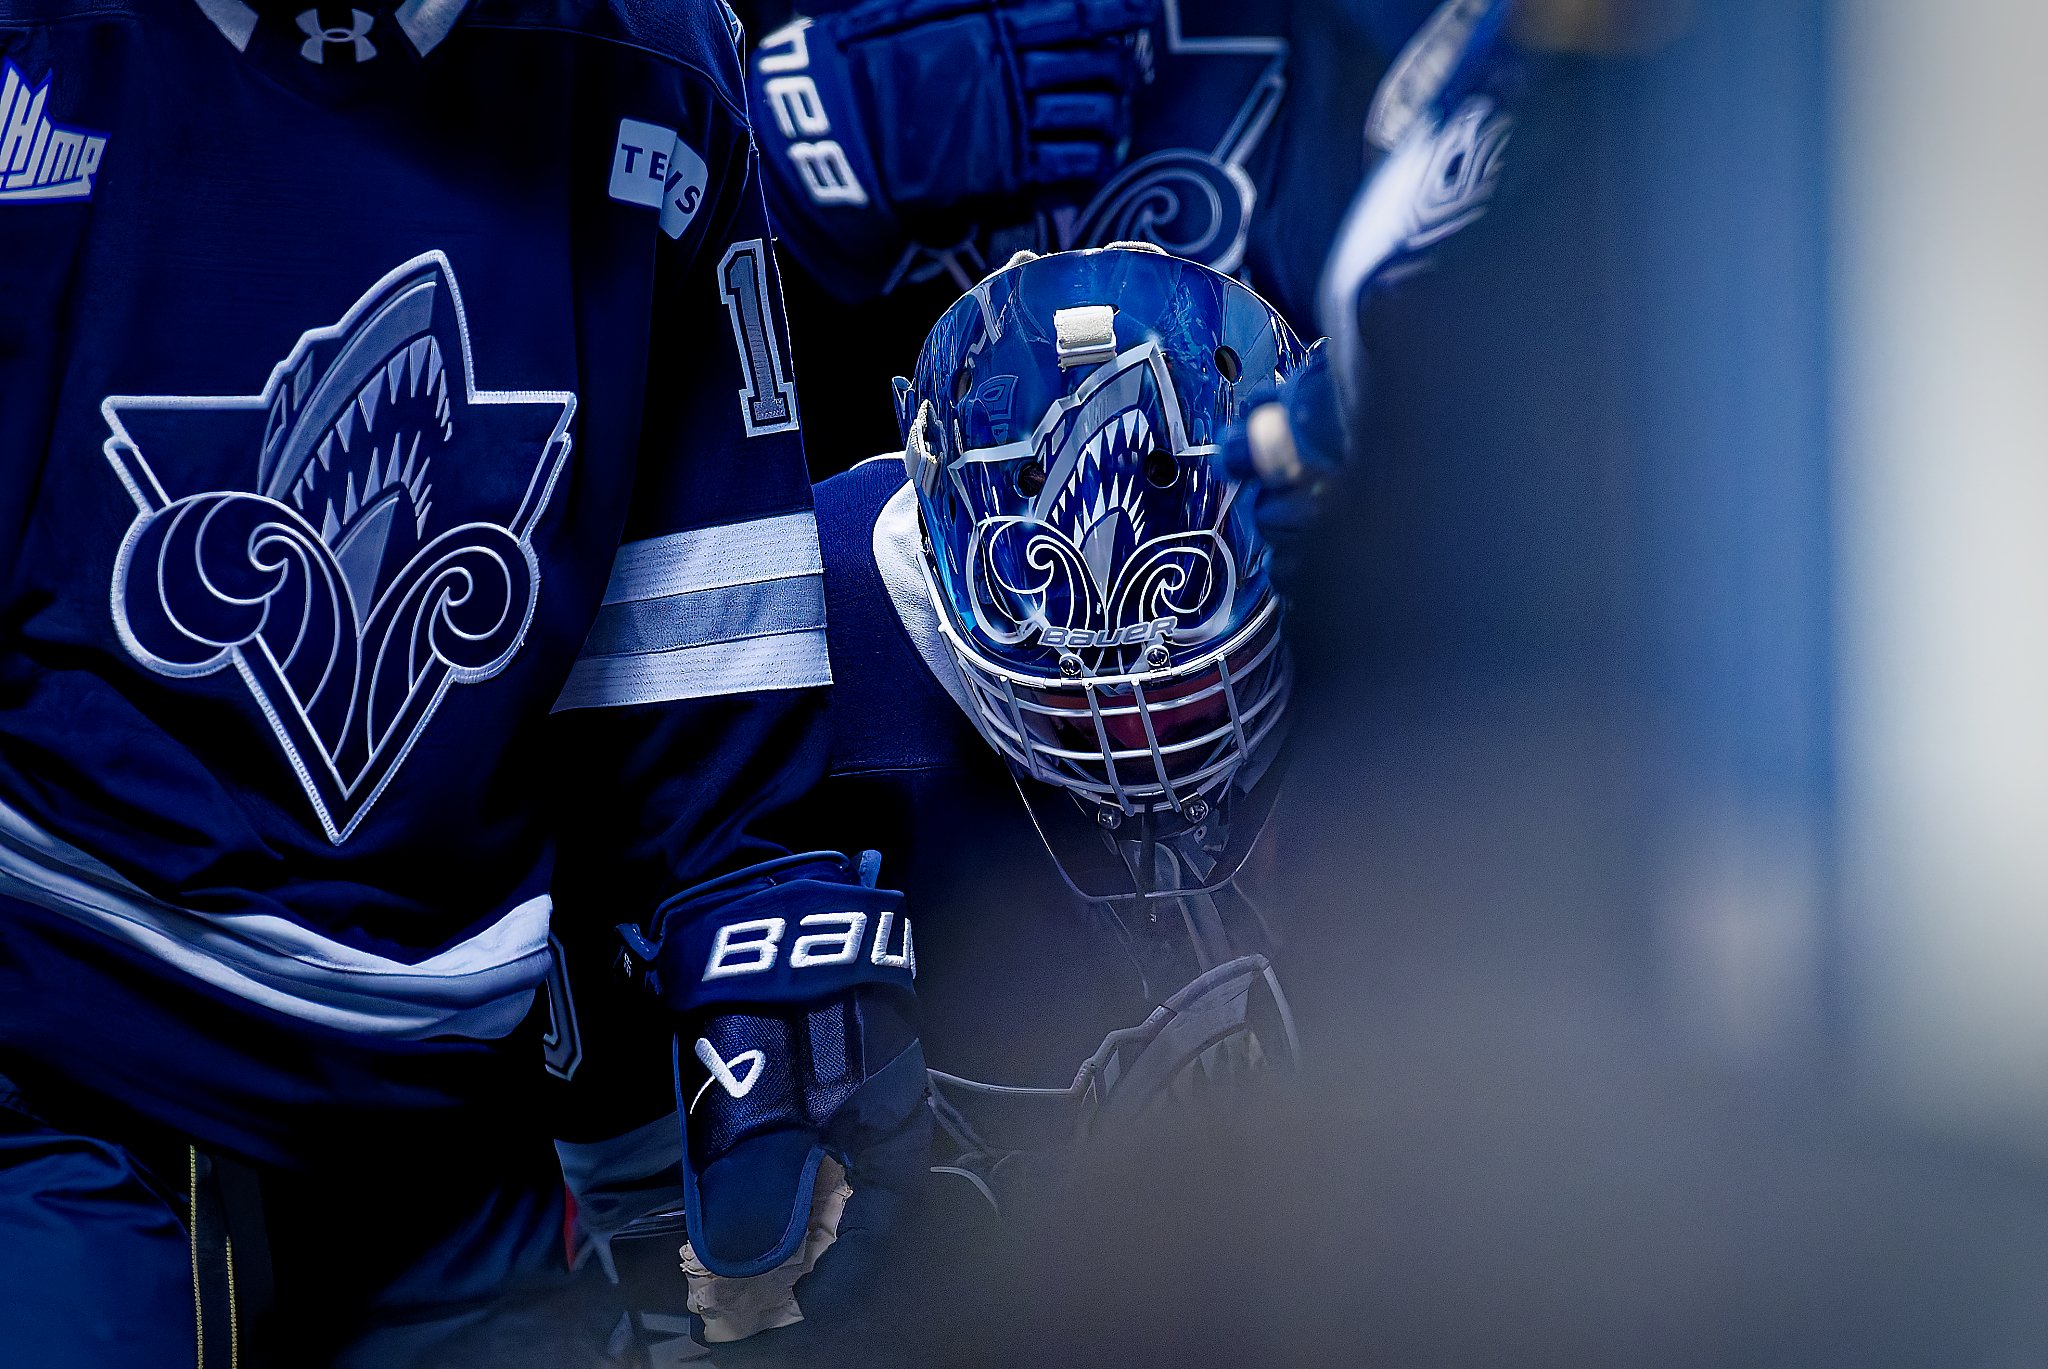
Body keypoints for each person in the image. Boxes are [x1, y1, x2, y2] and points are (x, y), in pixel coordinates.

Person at [0, 0, 851, 1362]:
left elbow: (709, 668)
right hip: (63, 1060)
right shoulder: (40, 52)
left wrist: (780, 1042)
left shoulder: (654, 65)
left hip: (450, 1114)